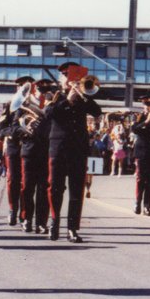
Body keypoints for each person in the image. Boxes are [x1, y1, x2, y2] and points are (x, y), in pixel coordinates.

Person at [47, 62, 102, 243]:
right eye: (66, 76)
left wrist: (83, 95)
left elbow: (97, 112)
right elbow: (49, 114)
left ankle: (72, 228)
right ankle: (54, 222)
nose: (70, 80)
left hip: (78, 148)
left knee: (77, 189)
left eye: (73, 77)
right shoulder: (54, 95)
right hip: (58, 147)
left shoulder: (83, 96)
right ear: (61, 78)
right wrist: (67, 100)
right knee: (55, 187)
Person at [18, 78, 54, 235]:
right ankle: (26, 218)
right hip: (29, 150)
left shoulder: (53, 105)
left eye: (46, 91)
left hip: (46, 150)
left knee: (43, 189)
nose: (43, 94)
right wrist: (25, 129)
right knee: (27, 187)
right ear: (35, 90)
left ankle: (41, 222)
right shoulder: (24, 105)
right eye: (41, 90)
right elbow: (12, 127)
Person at [0, 75, 32, 227]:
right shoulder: (10, 104)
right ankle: (13, 209)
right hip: (13, 146)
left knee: (26, 181)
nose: (23, 89)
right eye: (20, 86)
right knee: (12, 179)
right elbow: (1, 129)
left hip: (28, 146)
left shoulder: (33, 105)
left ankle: (24, 215)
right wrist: (15, 132)